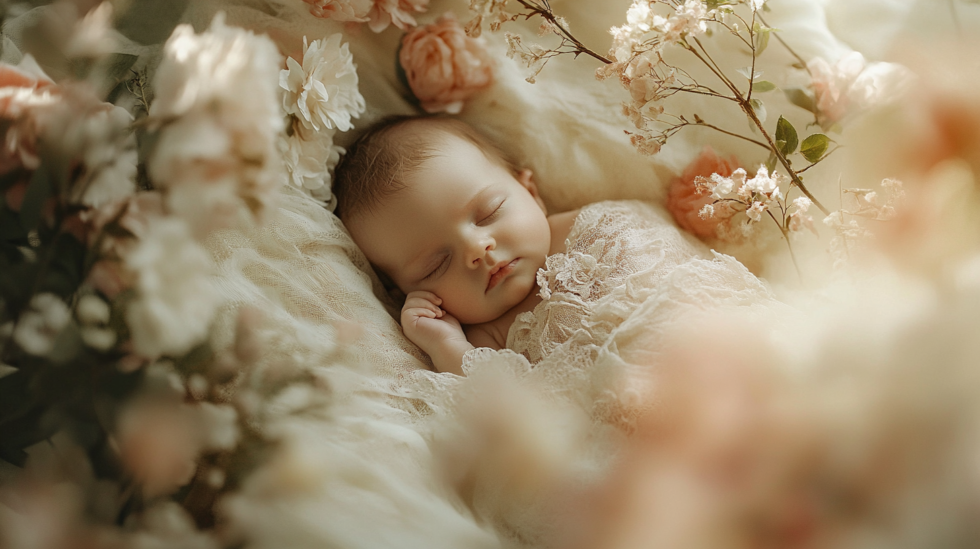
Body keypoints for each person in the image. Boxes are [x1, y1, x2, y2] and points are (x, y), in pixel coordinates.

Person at [334, 115, 579, 375]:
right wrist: (445, 345)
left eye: (489, 212)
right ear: (403, 294)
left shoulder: (581, 223)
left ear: (530, 192)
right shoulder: (486, 339)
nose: (477, 248)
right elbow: (491, 395)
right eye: (437, 265)